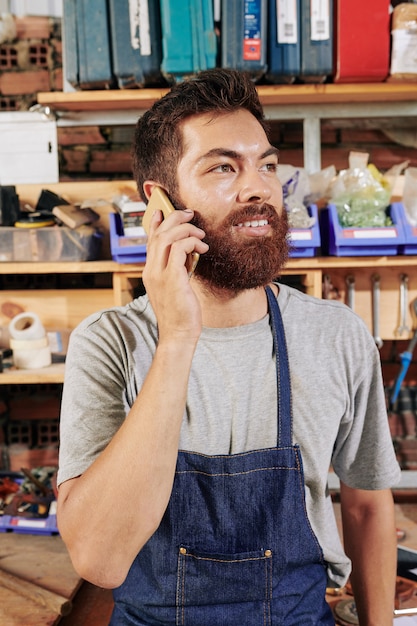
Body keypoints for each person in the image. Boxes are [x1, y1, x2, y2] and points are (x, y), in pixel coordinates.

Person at [57, 68, 401, 626]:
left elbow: (365, 507)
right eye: (223, 167)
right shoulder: (111, 343)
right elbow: (99, 558)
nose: (259, 187)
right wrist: (177, 339)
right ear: (161, 202)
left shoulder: (336, 335)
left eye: (266, 164)